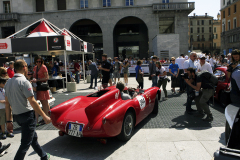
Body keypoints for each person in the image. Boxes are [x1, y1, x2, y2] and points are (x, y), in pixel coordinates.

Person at [5, 59, 51, 160]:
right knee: (25, 143)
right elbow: (33, 101)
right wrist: (44, 116)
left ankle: (44, 156)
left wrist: (9, 120)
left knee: (32, 138)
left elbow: (7, 104)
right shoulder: (24, 82)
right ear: (24, 68)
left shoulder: (8, 82)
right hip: (27, 116)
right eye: (26, 66)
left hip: (18, 116)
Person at [32, 56, 50, 125]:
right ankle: (47, 117)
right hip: (37, 86)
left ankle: (46, 118)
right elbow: (34, 75)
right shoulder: (35, 67)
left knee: (44, 102)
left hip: (42, 86)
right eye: (37, 61)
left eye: (40, 61)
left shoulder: (43, 67)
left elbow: (47, 77)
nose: (38, 63)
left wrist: (38, 79)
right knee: (44, 102)